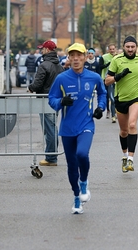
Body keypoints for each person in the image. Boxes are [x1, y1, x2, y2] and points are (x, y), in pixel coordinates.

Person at [48, 43, 106, 214]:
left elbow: (102, 93)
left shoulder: (94, 77)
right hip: (67, 128)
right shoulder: (62, 78)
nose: (75, 59)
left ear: (85, 57)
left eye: (79, 55)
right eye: (72, 56)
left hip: (86, 124)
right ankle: (76, 197)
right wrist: (60, 102)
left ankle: (84, 182)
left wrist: (101, 108)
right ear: (68, 58)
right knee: (72, 166)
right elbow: (51, 98)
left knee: (82, 154)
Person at [105, 36, 138, 172]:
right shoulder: (116, 60)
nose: (130, 49)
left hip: (135, 97)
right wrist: (118, 76)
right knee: (124, 131)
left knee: (132, 125)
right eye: (128, 47)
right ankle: (124, 156)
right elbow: (107, 81)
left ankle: (131, 159)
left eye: (133, 47)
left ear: (136, 47)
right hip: (120, 99)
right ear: (124, 47)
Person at [28, 40, 64, 166]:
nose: (41, 50)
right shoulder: (59, 66)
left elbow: (38, 84)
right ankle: (51, 155)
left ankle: (51, 157)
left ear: (47, 50)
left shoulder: (44, 65)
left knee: (49, 129)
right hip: (56, 100)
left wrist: (30, 88)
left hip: (45, 100)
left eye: (42, 48)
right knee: (52, 127)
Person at [99, 44, 116, 122]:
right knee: (107, 97)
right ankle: (108, 111)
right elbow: (100, 67)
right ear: (108, 50)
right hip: (105, 79)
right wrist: (107, 65)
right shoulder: (104, 57)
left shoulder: (117, 57)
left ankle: (114, 114)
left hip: (115, 80)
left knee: (113, 97)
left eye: (113, 49)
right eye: (110, 49)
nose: (112, 50)